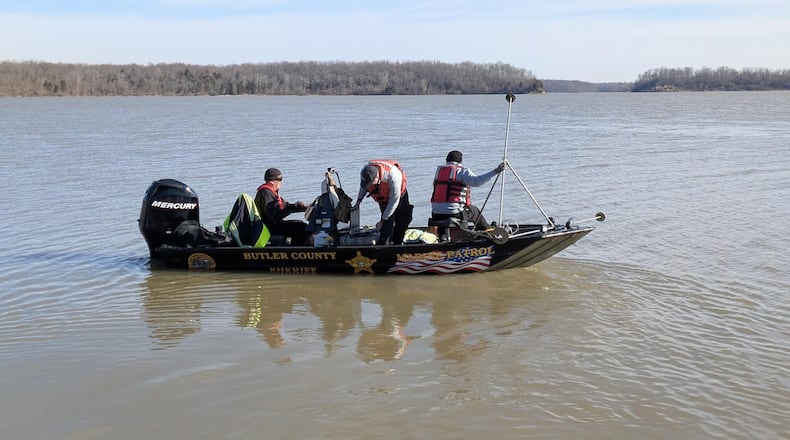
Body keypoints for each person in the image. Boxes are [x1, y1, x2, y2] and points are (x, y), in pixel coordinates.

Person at [431, 150, 505, 232]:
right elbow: (477, 181)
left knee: (443, 209)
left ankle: (443, 235)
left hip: (436, 214)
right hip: (454, 213)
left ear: (446, 160)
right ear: (460, 161)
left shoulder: (439, 171)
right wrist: (496, 171)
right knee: (475, 211)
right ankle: (486, 230)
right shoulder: (462, 171)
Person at [354, 160, 413, 245]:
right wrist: (358, 202)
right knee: (387, 227)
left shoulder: (393, 175)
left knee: (403, 221)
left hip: (398, 197)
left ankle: (397, 244)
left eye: (370, 184)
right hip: (383, 199)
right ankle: (384, 246)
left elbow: (393, 202)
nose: (369, 186)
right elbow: (363, 187)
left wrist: (382, 220)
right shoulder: (367, 171)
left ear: (377, 178)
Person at [254, 167, 309, 245]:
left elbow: (284, 205)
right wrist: (293, 208)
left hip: (273, 224)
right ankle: (299, 251)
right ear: (272, 181)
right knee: (300, 227)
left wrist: (305, 207)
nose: (281, 182)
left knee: (300, 223)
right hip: (268, 227)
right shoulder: (265, 193)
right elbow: (274, 215)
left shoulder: (271, 192)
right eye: (280, 180)